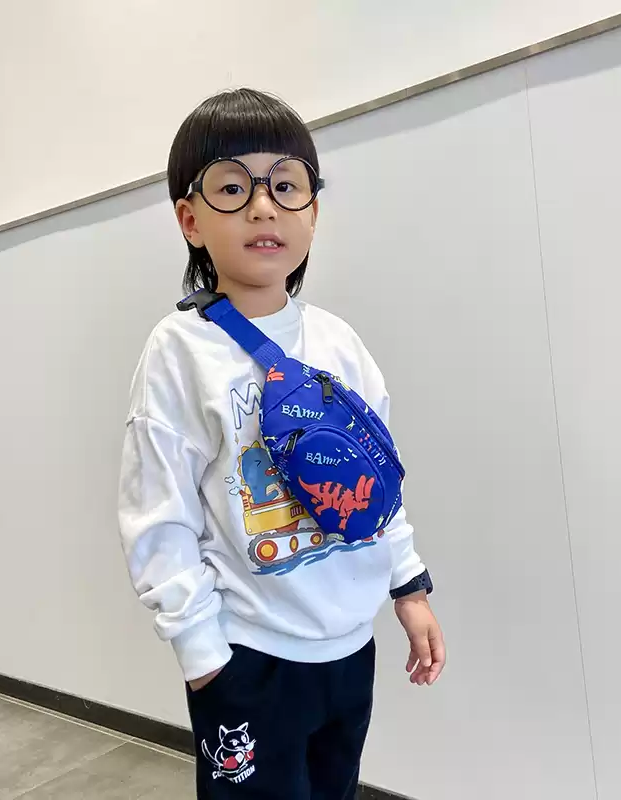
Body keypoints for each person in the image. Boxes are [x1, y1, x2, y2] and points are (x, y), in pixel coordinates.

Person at [118, 88, 445, 799]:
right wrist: (203, 655)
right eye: (233, 188)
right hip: (249, 655)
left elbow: (379, 482)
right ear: (190, 219)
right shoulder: (180, 351)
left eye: (286, 186)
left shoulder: (339, 342)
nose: (264, 207)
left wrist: (408, 586)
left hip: (351, 648)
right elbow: (158, 515)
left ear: (313, 212)